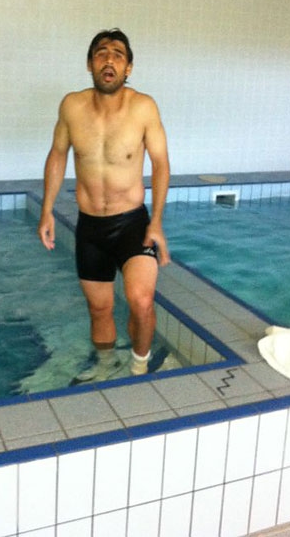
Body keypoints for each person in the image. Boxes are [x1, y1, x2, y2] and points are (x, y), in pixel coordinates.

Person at [38, 28, 170, 380]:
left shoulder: (143, 107)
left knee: (141, 301)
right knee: (99, 309)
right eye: (100, 53)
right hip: (91, 226)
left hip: (133, 224)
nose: (108, 60)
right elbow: (57, 155)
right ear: (89, 64)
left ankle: (139, 367)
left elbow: (160, 163)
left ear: (128, 68)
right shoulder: (72, 106)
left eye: (117, 54)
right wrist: (47, 210)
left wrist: (156, 221)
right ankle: (106, 365)